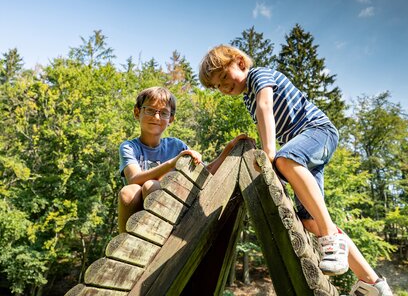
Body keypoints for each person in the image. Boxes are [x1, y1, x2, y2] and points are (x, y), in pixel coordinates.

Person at [198, 45, 393, 296]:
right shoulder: (248, 98)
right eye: (217, 86)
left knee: (284, 160)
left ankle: (330, 237)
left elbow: (265, 106)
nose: (223, 87)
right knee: (312, 221)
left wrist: (269, 152)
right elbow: (261, 113)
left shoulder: (259, 75)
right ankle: (372, 283)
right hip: (304, 151)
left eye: (224, 77)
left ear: (241, 62)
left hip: (318, 131)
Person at [118, 86, 245, 234]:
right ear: (137, 112)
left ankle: (160, 235)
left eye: (163, 113)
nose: (156, 117)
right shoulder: (130, 147)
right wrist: (173, 162)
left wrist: (229, 149)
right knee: (129, 191)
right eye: (150, 110)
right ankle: (126, 240)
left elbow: (204, 174)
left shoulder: (177, 146)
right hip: (136, 216)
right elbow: (134, 179)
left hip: (169, 216)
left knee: (151, 186)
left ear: (171, 118)